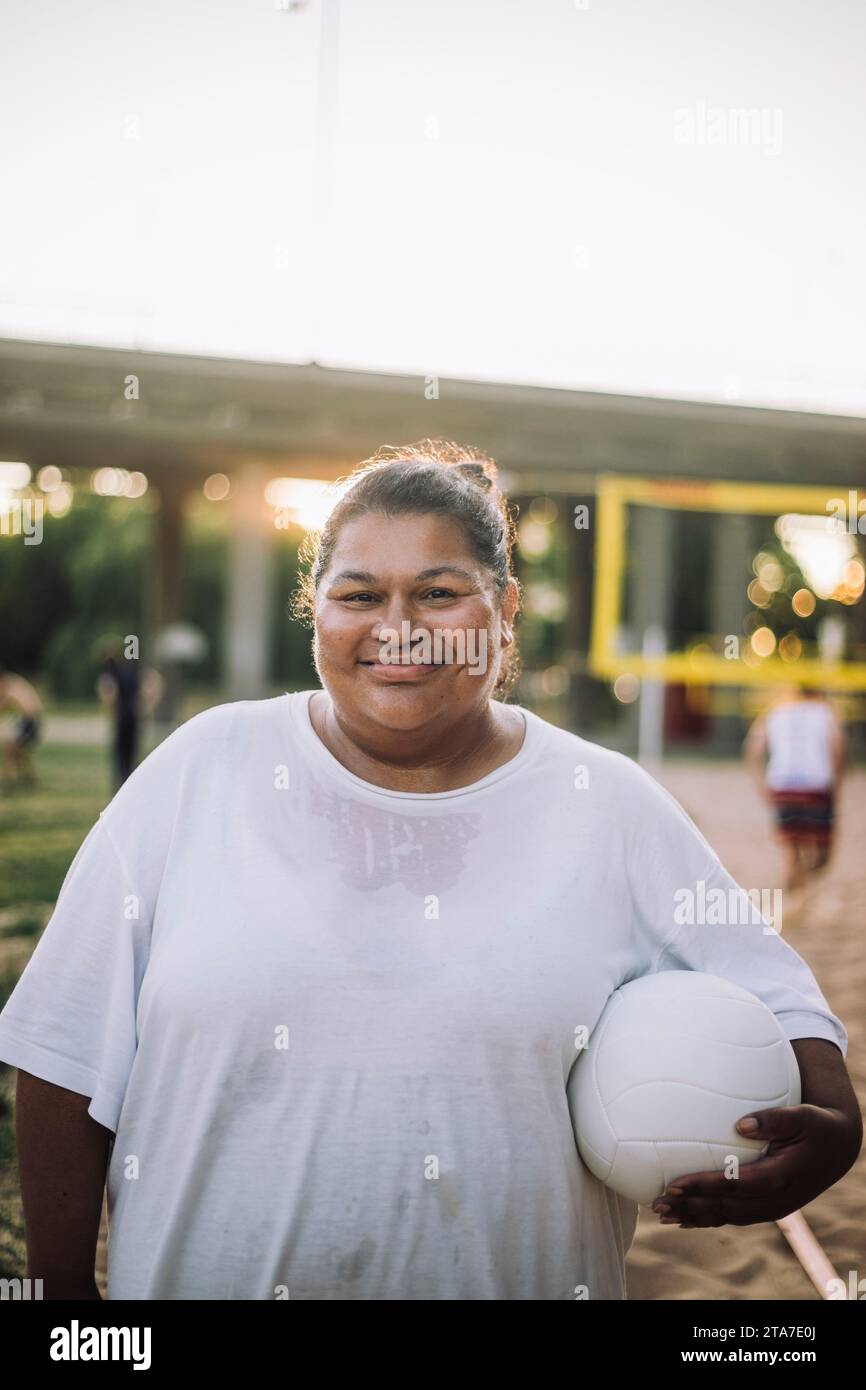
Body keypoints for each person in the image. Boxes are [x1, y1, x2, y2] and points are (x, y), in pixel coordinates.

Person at [0, 440, 859, 1301]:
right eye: (359, 594)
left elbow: (776, 991)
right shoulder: (203, 767)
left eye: (440, 594)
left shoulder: (609, 803)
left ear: (506, 608)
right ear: (316, 608)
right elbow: (64, 1051)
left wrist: (835, 1127)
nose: (398, 625)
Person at [745, 685, 846, 891]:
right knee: (822, 856)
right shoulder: (827, 712)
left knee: (792, 855)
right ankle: (799, 897)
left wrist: (762, 786)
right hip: (817, 787)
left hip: (782, 786)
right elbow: (837, 749)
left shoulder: (775, 710)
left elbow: (753, 750)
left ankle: (794, 897)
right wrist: (836, 785)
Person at [96, 644, 162, 789]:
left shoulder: (111, 671)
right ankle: (132, 785)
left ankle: (120, 786)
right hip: (134, 715)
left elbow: (109, 693)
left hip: (121, 716)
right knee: (132, 753)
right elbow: (150, 685)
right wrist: (147, 708)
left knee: (121, 755)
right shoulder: (135, 672)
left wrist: (112, 709)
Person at [0, 667, 43, 791]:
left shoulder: (8, 685)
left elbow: (5, 704)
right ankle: (29, 780)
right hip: (32, 721)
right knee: (18, 752)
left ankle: (9, 783)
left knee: (10, 749)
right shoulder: (14, 682)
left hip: (29, 721)